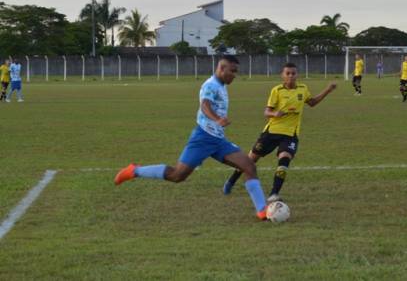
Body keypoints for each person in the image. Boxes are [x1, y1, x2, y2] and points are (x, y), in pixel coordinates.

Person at [114, 55, 269, 220]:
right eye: (232, 71)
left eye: (236, 72)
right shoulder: (210, 85)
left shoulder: (222, 85)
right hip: (202, 138)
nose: (234, 75)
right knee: (177, 176)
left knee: (249, 166)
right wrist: (217, 119)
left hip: (218, 140)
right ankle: (134, 171)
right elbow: (205, 105)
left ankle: (262, 210)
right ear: (221, 68)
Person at [222, 62, 337, 202]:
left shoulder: (303, 89)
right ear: (282, 75)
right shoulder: (277, 90)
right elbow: (266, 112)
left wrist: (327, 90)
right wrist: (275, 113)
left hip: (290, 134)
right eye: (287, 73)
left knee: (284, 159)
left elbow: (312, 102)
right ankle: (231, 181)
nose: (290, 76)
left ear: (297, 75)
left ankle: (273, 194)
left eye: (293, 73)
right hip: (271, 132)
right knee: (250, 161)